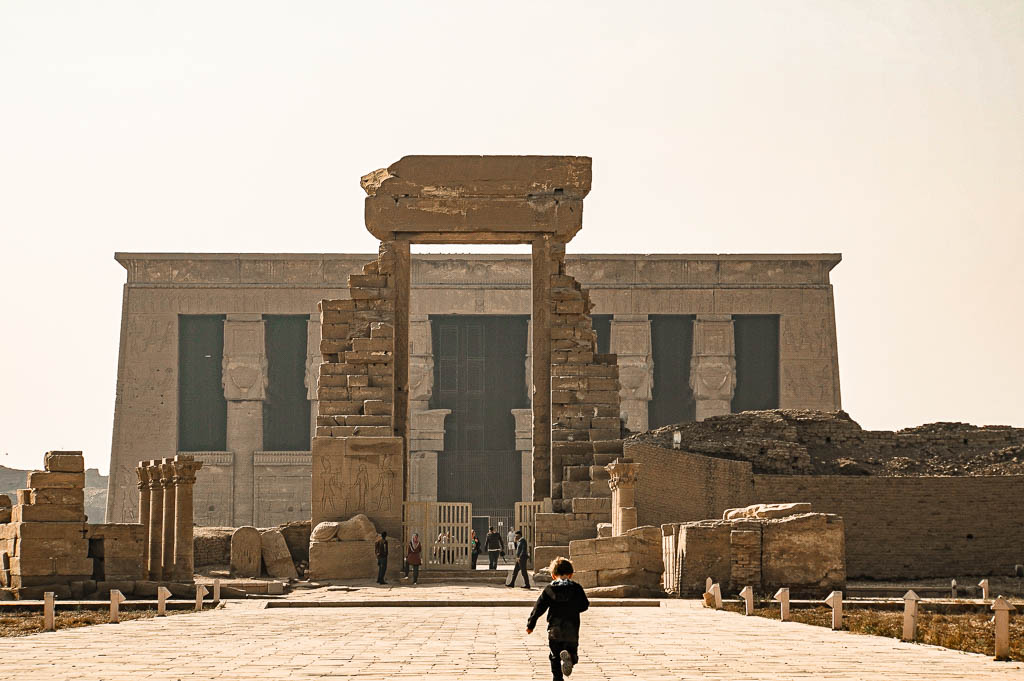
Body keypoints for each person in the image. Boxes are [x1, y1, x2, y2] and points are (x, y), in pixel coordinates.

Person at [526, 557, 590, 681]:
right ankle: (570, 658)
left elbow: (539, 607)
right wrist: (574, 608)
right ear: (571, 574)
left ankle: (557, 678)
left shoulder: (549, 589)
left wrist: (531, 624)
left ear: (553, 575)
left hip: (555, 628)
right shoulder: (576, 588)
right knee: (572, 650)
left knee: (554, 655)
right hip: (572, 627)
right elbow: (585, 605)